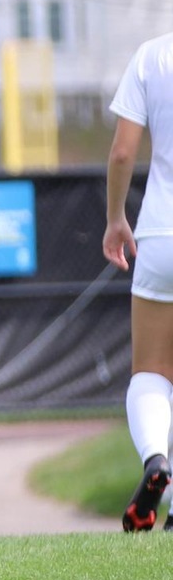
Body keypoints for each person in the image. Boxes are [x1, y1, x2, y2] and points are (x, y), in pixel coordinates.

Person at [102, 31, 173, 532]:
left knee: (150, 370)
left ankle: (155, 459)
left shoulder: (152, 55)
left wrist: (114, 219)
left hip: (161, 233)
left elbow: (123, 153)